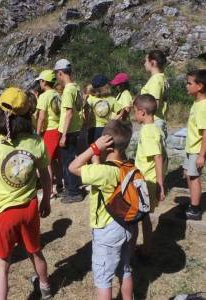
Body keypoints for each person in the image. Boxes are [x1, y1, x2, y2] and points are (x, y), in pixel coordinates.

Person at [0, 87, 52, 300]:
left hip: (3, 213)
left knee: (1, 264)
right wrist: (46, 198)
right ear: (28, 115)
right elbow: (45, 176)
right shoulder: (36, 142)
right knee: (35, 250)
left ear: (0, 112)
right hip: (29, 208)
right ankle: (45, 287)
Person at [69, 120, 134, 300]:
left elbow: (72, 167)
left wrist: (93, 148)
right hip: (127, 226)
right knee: (125, 269)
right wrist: (97, 157)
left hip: (107, 232)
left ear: (108, 146)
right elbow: (102, 174)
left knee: (104, 279)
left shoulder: (105, 173)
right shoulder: (129, 166)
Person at [133, 94, 167, 258]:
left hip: (146, 182)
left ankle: (140, 249)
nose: (134, 115)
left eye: (135, 112)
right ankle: (147, 247)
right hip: (148, 180)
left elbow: (157, 156)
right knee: (145, 217)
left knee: (138, 217)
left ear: (142, 112)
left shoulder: (147, 131)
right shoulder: (155, 127)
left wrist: (160, 184)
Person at [54, 58, 83, 203]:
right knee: (72, 159)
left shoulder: (68, 91)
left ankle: (74, 191)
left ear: (60, 73)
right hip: (76, 129)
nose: (57, 79)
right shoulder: (76, 88)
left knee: (68, 162)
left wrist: (63, 135)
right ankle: (72, 187)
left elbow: (69, 113)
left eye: (56, 75)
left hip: (69, 131)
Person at [36, 70, 63, 198]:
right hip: (59, 129)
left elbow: (41, 117)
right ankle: (60, 185)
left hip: (50, 131)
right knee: (55, 160)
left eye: (40, 81)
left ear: (44, 82)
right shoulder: (57, 95)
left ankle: (49, 191)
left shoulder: (43, 96)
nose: (39, 83)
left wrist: (37, 133)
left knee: (46, 162)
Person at [183, 69, 206, 220]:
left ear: (200, 86)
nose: (186, 86)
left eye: (189, 83)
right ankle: (192, 205)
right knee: (189, 176)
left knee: (194, 177)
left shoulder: (203, 106)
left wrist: (201, 156)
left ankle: (196, 210)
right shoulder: (196, 103)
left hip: (197, 150)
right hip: (191, 148)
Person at [86, 74, 122, 163]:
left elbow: (86, 112)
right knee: (105, 153)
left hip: (93, 130)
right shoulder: (111, 99)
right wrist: (115, 120)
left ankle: (95, 173)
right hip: (106, 130)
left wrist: (88, 120)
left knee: (94, 153)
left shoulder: (90, 99)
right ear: (106, 86)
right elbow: (121, 111)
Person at [141, 50, 169, 137]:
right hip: (157, 120)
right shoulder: (162, 78)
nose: (144, 64)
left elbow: (154, 104)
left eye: (146, 61)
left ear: (152, 62)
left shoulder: (156, 80)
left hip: (153, 123)